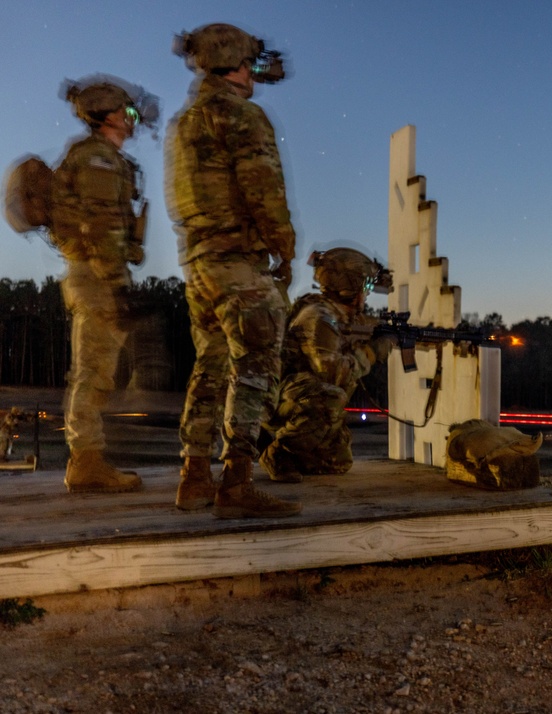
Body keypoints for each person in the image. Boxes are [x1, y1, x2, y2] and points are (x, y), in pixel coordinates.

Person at [166, 22, 300, 518]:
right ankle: (237, 483)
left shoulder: (184, 122)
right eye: (250, 66)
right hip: (238, 264)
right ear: (237, 66)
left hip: (198, 263)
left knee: (210, 367)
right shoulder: (242, 116)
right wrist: (283, 249)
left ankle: (193, 477)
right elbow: (265, 192)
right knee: (255, 366)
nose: (255, 77)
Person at [51, 77, 156, 493]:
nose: (133, 121)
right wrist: (116, 284)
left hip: (98, 275)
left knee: (97, 372)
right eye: (128, 113)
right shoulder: (99, 160)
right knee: (92, 372)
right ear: (108, 114)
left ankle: (87, 458)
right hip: (98, 277)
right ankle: (86, 462)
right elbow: (100, 227)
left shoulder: (102, 158)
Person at [260, 248, 392, 482]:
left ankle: (294, 456)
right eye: (366, 288)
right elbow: (333, 374)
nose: (367, 295)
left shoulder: (340, 316)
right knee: (331, 398)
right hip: (278, 399)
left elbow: (366, 327)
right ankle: (277, 452)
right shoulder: (319, 317)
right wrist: (371, 353)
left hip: (300, 397)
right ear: (351, 288)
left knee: (338, 460)